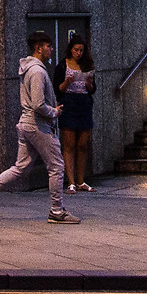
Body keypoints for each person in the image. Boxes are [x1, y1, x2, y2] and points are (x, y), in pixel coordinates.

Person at [0, 31, 78, 224]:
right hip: (38, 125)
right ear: (38, 48)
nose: (51, 49)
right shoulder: (37, 71)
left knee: (21, 167)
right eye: (48, 46)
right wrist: (54, 112)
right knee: (57, 166)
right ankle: (57, 210)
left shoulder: (30, 69)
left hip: (27, 124)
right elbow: (38, 104)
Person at [58, 39, 96, 194]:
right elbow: (58, 88)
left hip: (84, 104)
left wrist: (89, 85)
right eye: (76, 50)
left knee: (82, 144)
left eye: (81, 50)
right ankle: (71, 181)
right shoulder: (63, 65)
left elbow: (93, 89)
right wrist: (67, 82)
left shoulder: (88, 65)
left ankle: (81, 180)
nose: (78, 53)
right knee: (69, 144)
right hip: (69, 103)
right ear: (70, 50)